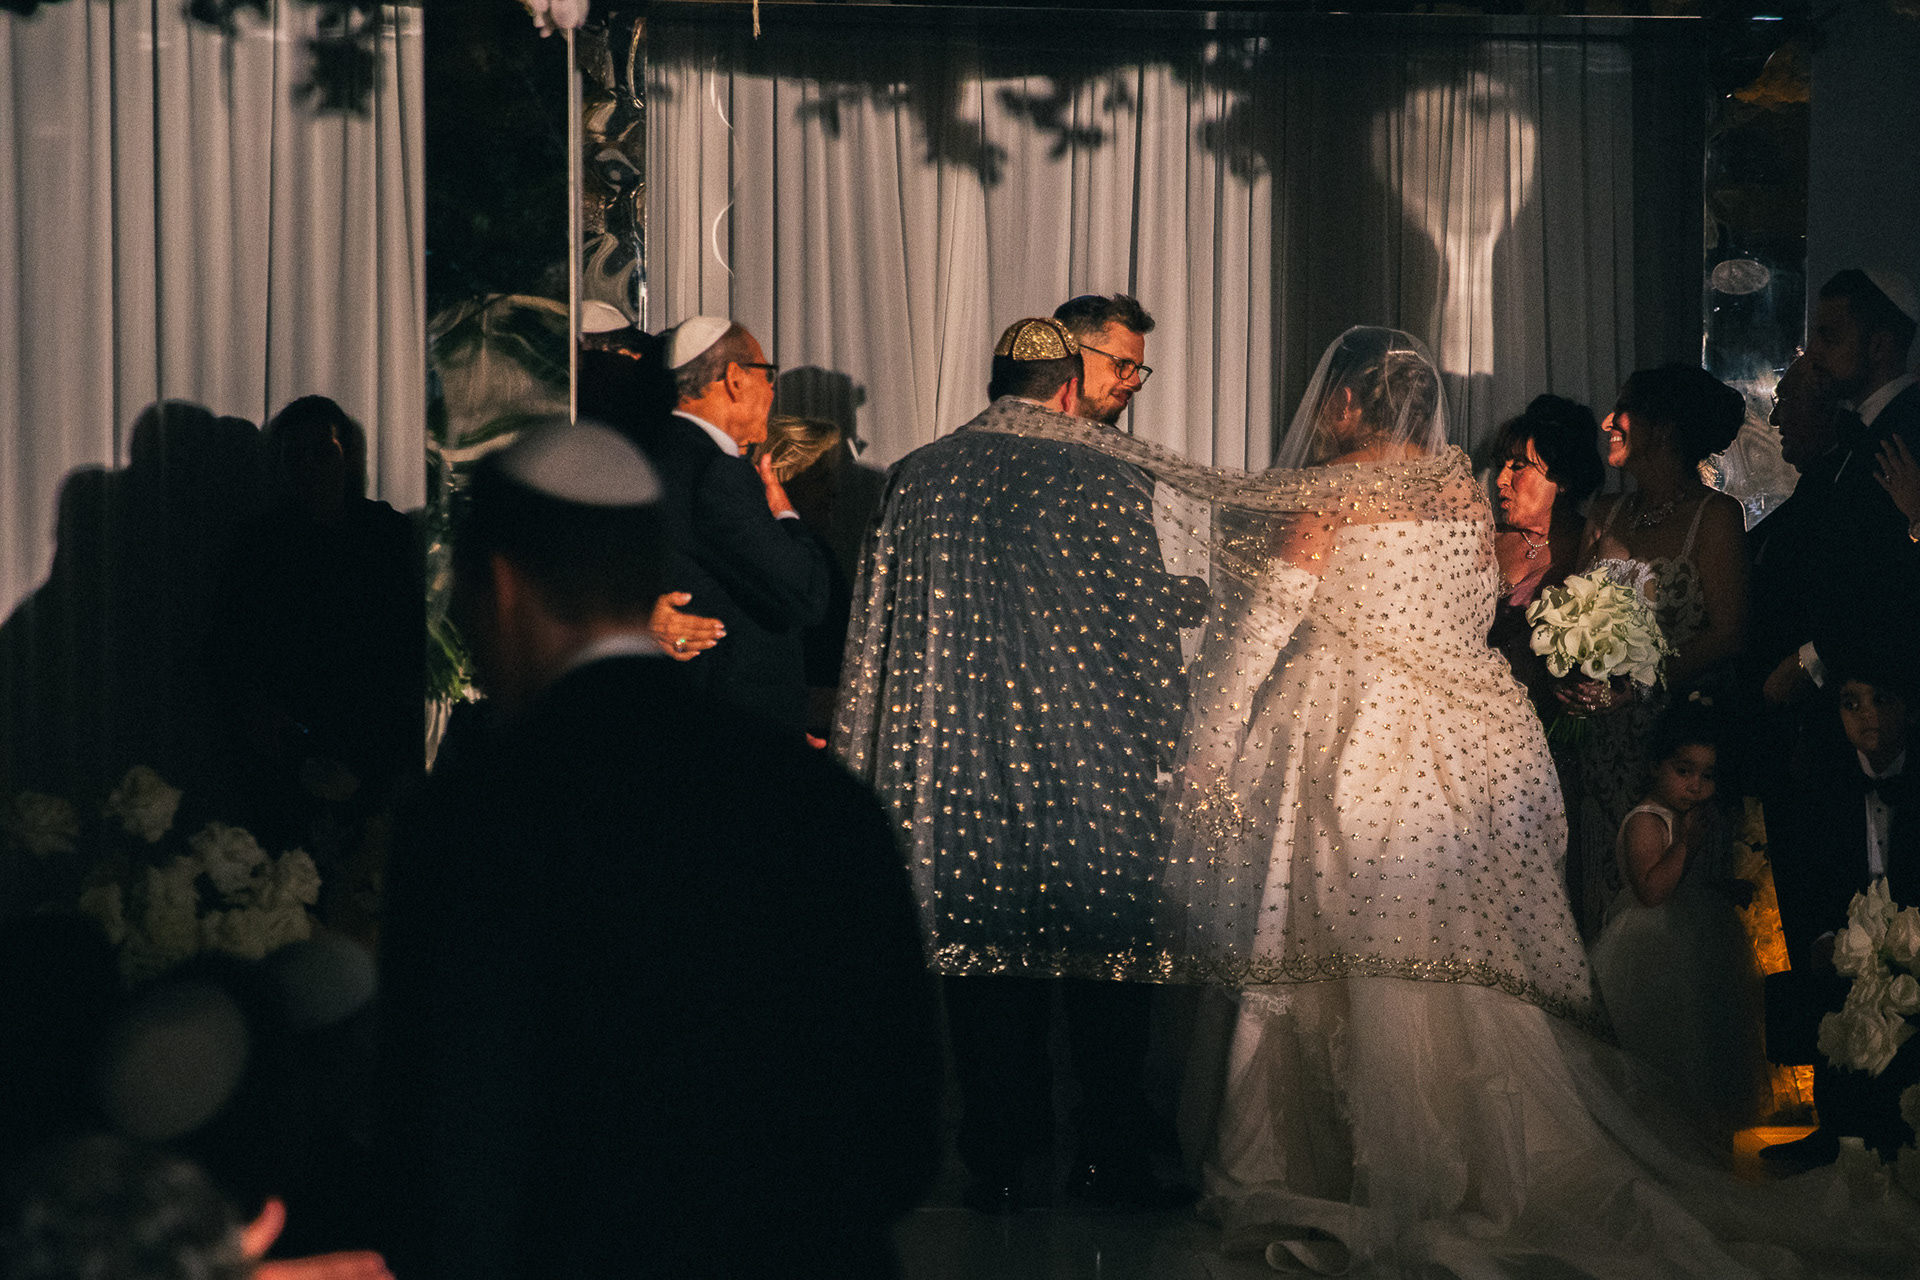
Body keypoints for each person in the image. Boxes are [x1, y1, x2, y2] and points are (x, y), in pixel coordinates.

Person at [1146, 327, 1920, 1274]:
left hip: (1348, 735)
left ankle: (1333, 1159)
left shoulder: (1333, 493)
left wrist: (1210, 742)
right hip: (1449, 747)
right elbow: (1472, 611)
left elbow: (1268, 620)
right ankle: (1475, 1154)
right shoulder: (1454, 497)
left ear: (1346, 403)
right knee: (1453, 958)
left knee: (1332, 941)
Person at [377, 419, 939, 1280]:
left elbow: (451, 1145)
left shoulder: (473, 816)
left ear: (501, 586)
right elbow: (902, 1128)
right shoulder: (817, 799)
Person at [835, 314, 1203, 1213]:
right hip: (1092, 766)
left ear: (994, 382)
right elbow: (1143, 635)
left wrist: (863, 759)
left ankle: (999, 1162)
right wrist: (1177, 744)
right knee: (1102, 966)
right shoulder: (1108, 475)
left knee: (986, 969)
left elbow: (874, 630)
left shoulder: (918, 477)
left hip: (963, 768)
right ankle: (1106, 1159)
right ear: (1069, 388)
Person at [1562, 365, 1750, 938]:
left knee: (1666, 928)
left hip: (1675, 751)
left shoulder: (1716, 516)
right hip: (1602, 750)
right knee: (1602, 912)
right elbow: (1573, 615)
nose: (1607, 422)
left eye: (1623, 411)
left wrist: (1637, 682)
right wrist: (1571, 669)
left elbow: (1730, 634)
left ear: (1663, 429)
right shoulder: (1606, 513)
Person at [1763, 651, 1920, 1170]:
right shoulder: (1824, 784)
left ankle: (1900, 1130)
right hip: (1853, 937)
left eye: (1881, 700)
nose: (1866, 714)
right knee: (1835, 984)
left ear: (1908, 708)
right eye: (1851, 703)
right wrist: (1825, 939)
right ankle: (1837, 1129)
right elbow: (1811, 877)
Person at [1587, 699, 1768, 1139]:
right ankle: (1666, 1136)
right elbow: (1652, 891)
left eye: (1707, 776)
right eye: (1683, 771)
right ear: (1656, 765)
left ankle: (1706, 1136)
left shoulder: (1689, 818)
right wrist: (1686, 843)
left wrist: (1720, 889)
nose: (1695, 786)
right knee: (1666, 1044)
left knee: (1706, 1041)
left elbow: (1685, 884)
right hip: (1653, 944)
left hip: (1695, 939)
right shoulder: (1647, 821)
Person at [642, 316, 832, 733]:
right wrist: (785, 514)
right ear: (735, 379)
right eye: (768, 375)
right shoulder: (717, 473)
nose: (772, 390)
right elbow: (806, 594)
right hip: (730, 726)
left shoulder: (647, 453)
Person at [1752, 270, 1920, 721]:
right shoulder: (1864, 430)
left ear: (1879, 346)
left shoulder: (1908, 430)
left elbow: (1890, 581)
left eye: (1829, 337)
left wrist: (1811, 659)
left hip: (1885, 698)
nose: (1815, 353)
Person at [1484, 394, 1605, 716]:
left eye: (1518, 467)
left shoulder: (1593, 546)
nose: (1501, 480)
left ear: (1562, 479)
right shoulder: (1482, 540)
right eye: (1502, 466)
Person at [751, 415, 853, 740]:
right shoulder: (784, 559)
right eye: (820, 479)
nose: (834, 492)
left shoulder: (815, 552)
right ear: (782, 481)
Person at [1052, 293, 1154, 426]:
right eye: (1121, 364)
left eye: (1138, 369)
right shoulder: (1026, 432)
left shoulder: (1113, 440)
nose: (1136, 383)